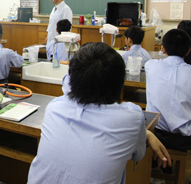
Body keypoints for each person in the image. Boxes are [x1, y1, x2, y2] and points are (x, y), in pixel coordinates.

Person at [28, 42, 171, 184]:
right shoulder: (132, 117)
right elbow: (137, 155)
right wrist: (147, 133)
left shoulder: (55, 107)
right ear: (120, 82)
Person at [146, 29, 191, 151]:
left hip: (155, 132)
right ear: (188, 51)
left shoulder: (150, 65)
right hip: (185, 138)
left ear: (163, 48)